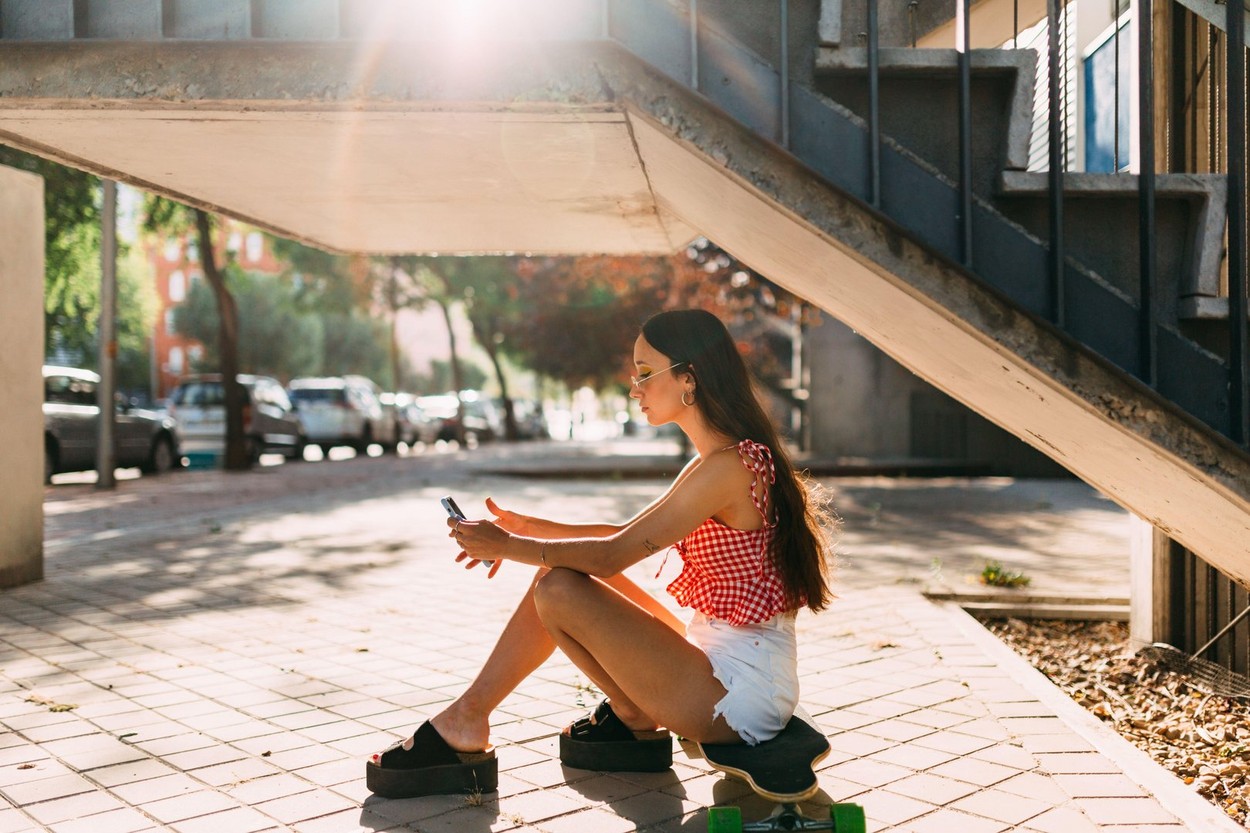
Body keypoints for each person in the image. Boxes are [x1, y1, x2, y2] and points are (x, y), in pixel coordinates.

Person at [366, 308, 836, 799]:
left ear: (688, 380)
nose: (635, 388)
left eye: (647, 373)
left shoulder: (729, 468)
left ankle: (474, 718)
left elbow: (612, 554)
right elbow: (626, 534)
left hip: (738, 697)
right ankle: (621, 712)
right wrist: (529, 530)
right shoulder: (722, 461)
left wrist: (510, 546)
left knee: (559, 586)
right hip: (723, 662)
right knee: (560, 571)